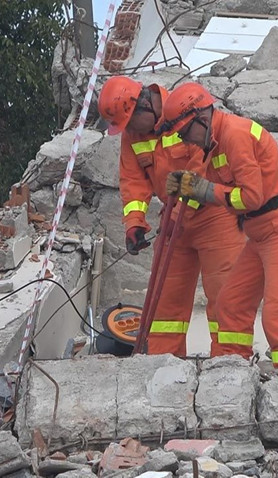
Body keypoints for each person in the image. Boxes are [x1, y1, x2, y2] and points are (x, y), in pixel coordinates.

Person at [158, 82, 278, 381]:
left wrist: (205, 191)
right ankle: (232, 370)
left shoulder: (235, 135)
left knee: (277, 315)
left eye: (186, 132)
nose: (185, 140)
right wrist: (187, 186)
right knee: (231, 304)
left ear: (201, 118)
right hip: (260, 232)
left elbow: (250, 197)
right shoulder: (213, 143)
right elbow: (213, 186)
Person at [97, 76, 244, 357]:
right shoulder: (133, 136)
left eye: (129, 123)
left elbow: (199, 167)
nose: (128, 132)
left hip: (215, 216)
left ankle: (230, 365)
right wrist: (134, 224)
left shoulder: (184, 111)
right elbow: (133, 181)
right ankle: (163, 364)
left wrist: (178, 212)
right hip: (174, 219)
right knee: (165, 303)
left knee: (225, 297)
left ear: (142, 107)